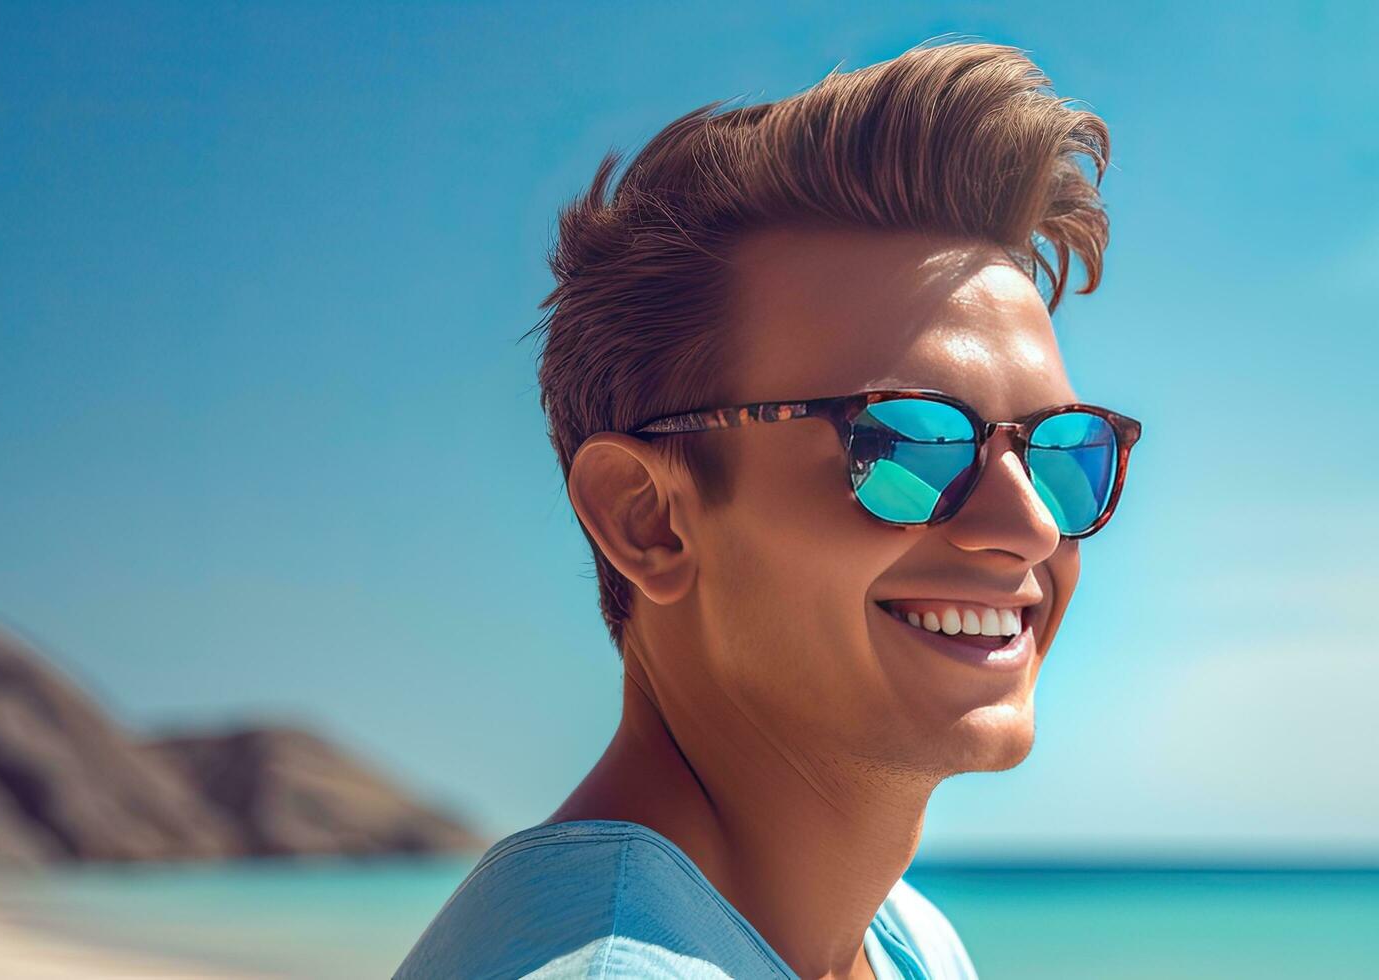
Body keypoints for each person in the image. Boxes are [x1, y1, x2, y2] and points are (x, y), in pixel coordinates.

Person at [395, 40, 1141, 980]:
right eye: (908, 444)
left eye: (1062, 454)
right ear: (646, 519)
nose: (1030, 525)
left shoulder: (905, 942)